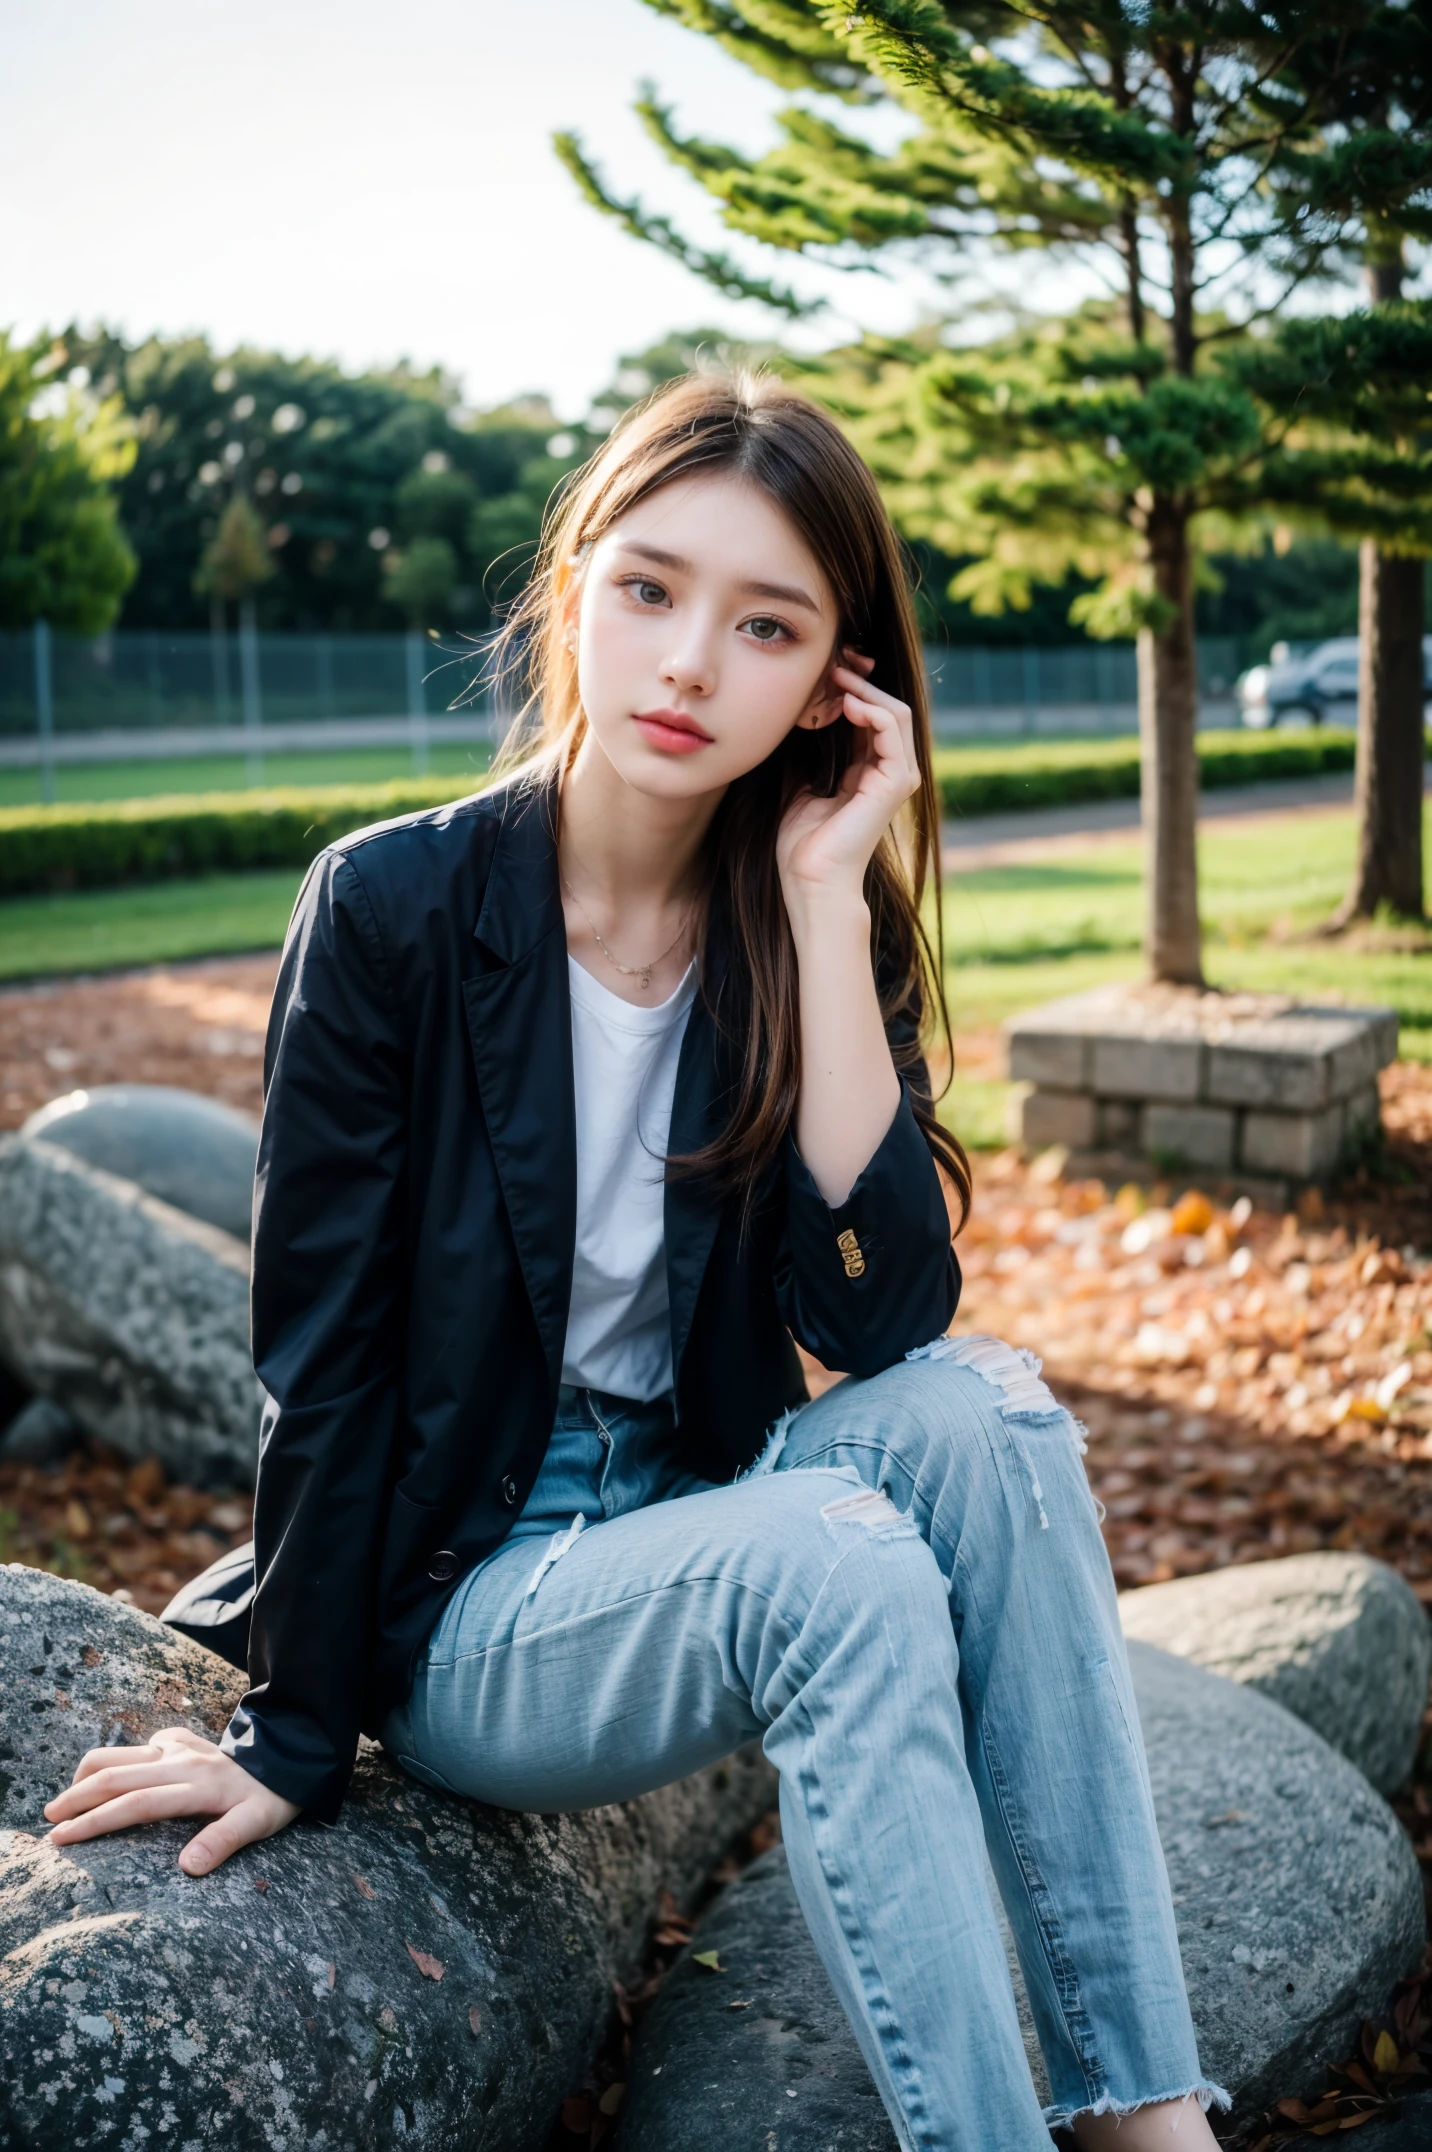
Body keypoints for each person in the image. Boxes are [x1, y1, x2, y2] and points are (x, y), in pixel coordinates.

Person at [43, 373, 1226, 2150]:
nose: (688, 665)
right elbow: (329, 1354)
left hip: (690, 1508)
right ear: (576, 583)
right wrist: (293, 1732)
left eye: (767, 627)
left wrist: (828, 898)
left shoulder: (808, 919)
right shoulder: (394, 909)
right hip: (473, 1589)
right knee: (840, 1567)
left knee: (988, 1413)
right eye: (652, 590)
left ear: (838, 682)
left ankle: (1146, 2118)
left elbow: (882, 1315)